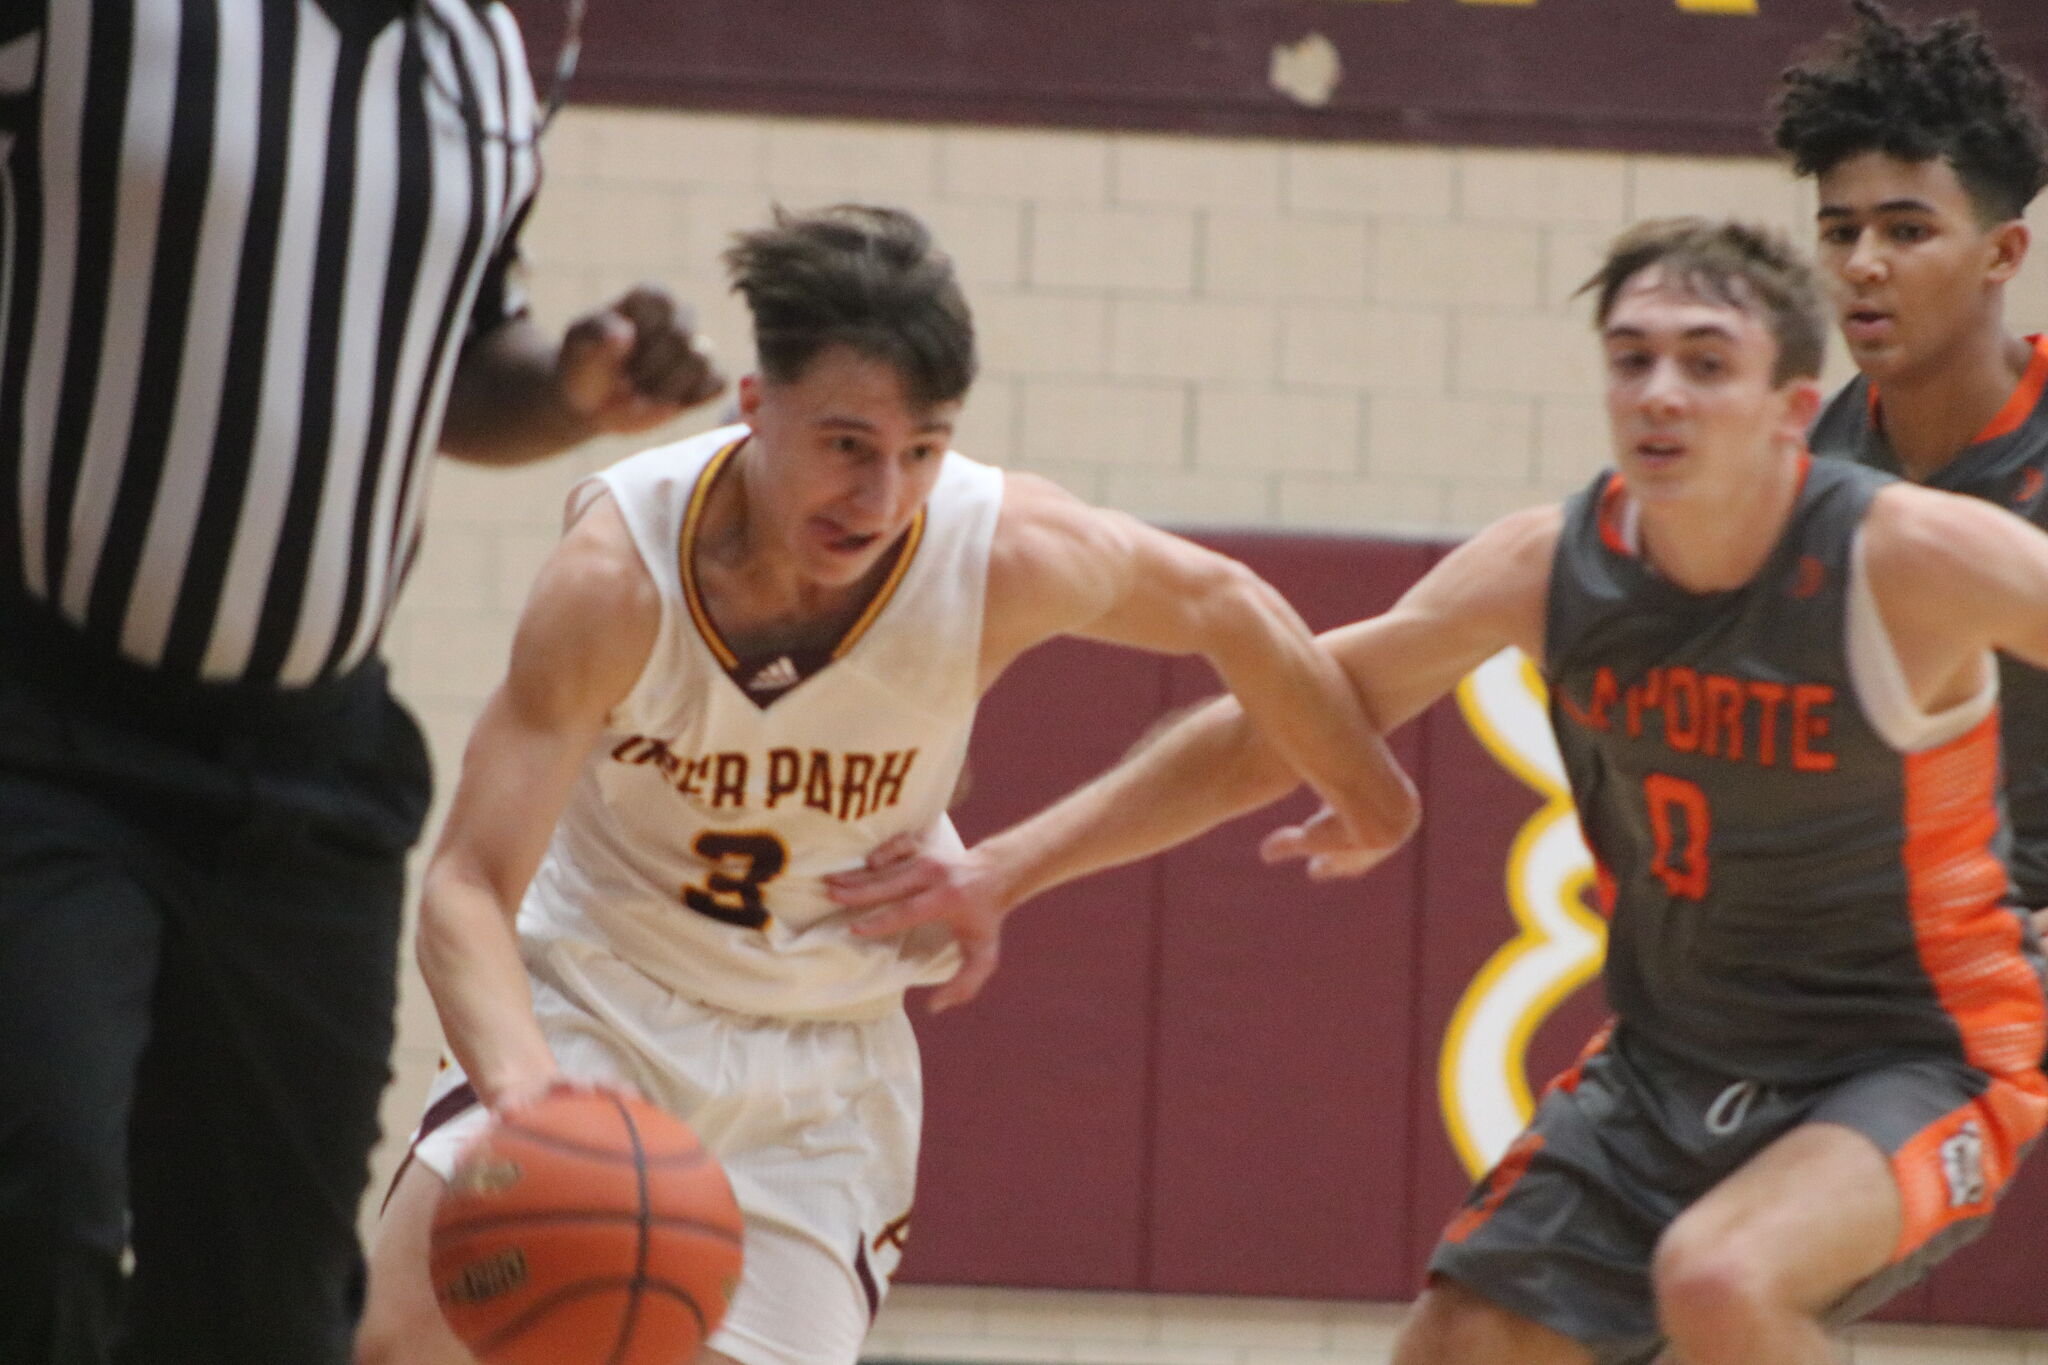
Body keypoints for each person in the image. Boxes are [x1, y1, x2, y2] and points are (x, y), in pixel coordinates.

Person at [830, 218, 2048, 1365]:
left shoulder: (1912, 557)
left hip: (1915, 1057)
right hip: (1671, 1059)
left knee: (1721, 1280)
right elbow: (1285, 725)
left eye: (1703, 362)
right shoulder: (1547, 567)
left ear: (1793, 409)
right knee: (1456, 1348)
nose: (1658, 393)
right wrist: (1004, 867)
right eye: (1631, 359)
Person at [352, 202, 1418, 1365]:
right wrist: (530, 1101)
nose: (881, 497)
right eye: (848, 445)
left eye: (922, 450)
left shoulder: (1002, 553)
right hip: (593, 996)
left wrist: (1372, 797)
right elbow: (464, 887)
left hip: (817, 1064)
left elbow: (1229, 608)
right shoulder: (617, 576)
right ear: (755, 407)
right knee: (411, 1343)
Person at [0, 3, 722, 1362]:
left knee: (269, 1304)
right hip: (41, 727)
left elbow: (457, 360)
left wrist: (572, 385)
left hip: (307, 777)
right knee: (44, 1209)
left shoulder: (482, 56)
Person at [1775, 0, 2048, 945]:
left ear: (2002, 252)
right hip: (1876, 964)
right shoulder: (1799, 465)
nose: (1863, 265)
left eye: (1905, 231)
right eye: (1840, 232)